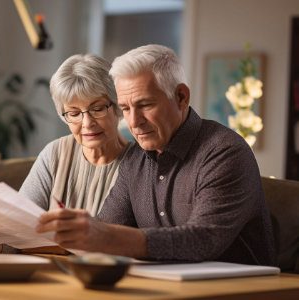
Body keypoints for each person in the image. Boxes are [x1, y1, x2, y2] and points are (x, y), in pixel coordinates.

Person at [36, 44, 276, 266]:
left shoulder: (224, 152)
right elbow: (105, 229)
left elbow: (204, 240)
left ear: (181, 97)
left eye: (145, 105)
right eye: (125, 108)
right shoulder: (135, 160)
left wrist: (104, 236)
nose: (133, 122)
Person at [0, 54, 132, 253]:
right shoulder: (55, 153)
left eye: (98, 108)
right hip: (49, 273)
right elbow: (16, 233)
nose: (87, 123)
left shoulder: (141, 162)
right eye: (74, 113)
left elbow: (131, 242)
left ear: (118, 107)